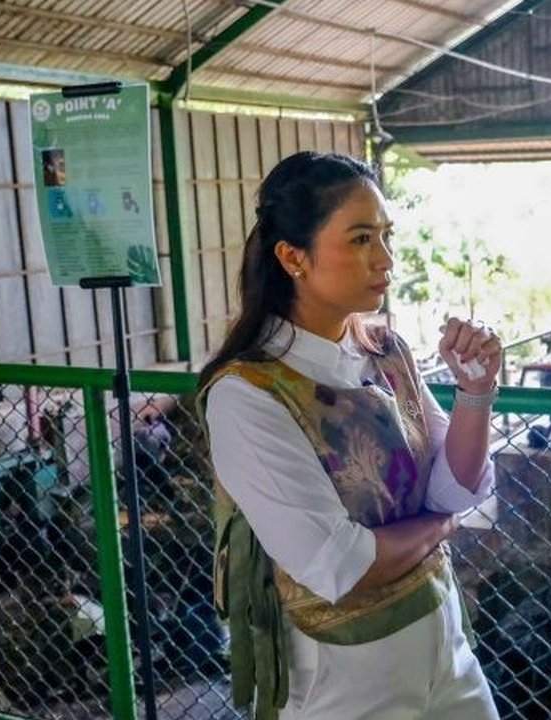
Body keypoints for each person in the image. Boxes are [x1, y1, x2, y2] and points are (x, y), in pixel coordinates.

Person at [198, 151, 502, 720]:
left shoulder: (385, 353)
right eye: (361, 239)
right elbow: (341, 564)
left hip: (443, 637)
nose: (385, 258)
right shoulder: (248, 394)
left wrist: (476, 393)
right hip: (348, 673)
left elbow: (454, 489)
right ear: (293, 257)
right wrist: (438, 528)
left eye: (386, 235)